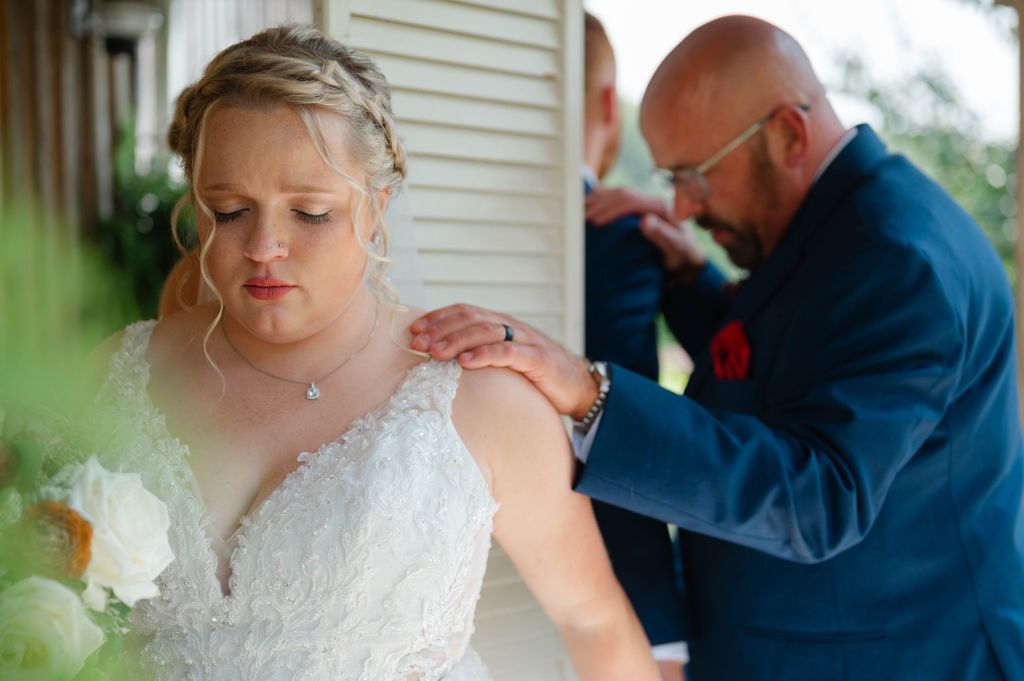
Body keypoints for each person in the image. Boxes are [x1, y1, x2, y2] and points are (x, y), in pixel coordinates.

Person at [411, 15, 1024, 680]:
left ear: (788, 133)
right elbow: (799, 367)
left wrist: (593, 391)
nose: (680, 208)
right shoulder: (848, 226)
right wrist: (692, 280)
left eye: (693, 176)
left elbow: (820, 498)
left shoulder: (897, 258)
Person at [87, 25, 660, 680]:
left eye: (310, 213)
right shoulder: (113, 375)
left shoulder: (481, 398)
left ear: (377, 209)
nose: (264, 245)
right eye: (229, 209)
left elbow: (593, 619)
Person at [581, 12, 689, 681]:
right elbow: (631, 426)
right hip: (611, 591)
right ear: (605, 105)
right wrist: (664, 635)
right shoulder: (622, 237)